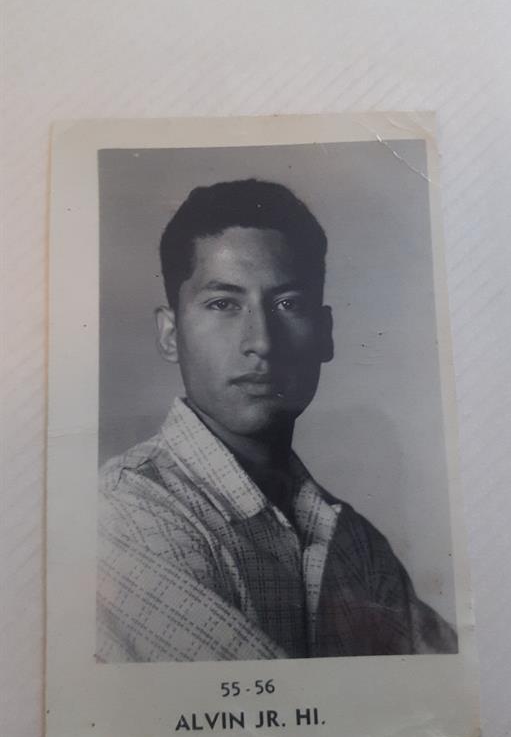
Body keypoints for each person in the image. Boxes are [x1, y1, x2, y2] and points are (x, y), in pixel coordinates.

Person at [97, 179, 457, 662]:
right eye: (223, 304)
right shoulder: (125, 516)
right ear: (169, 334)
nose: (262, 341)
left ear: (325, 334)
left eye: (288, 304)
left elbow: (445, 693)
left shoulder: (353, 541)